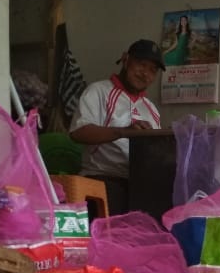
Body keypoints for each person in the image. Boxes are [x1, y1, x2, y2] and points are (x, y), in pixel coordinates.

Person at [69, 39, 165, 214]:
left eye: (152, 70)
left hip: (139, 184)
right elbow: (78, 132)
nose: (145, 74)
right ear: (126, 59)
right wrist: (123, 132)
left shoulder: (151, 110)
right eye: (141, 65)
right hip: (102, 179)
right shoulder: (99, 91)